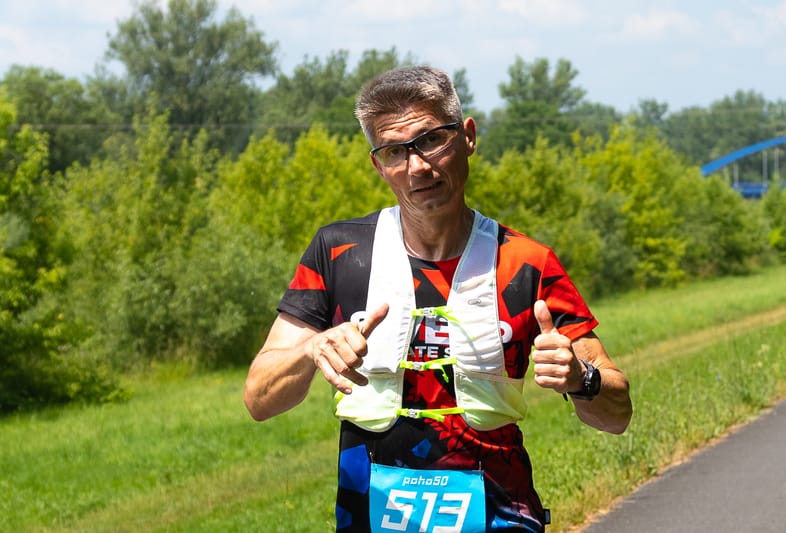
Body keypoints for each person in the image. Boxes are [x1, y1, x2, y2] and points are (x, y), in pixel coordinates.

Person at [244, 65, 632, 532]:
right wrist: (312, 347)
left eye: (431, 140)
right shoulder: (339, 253)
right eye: (394, 152)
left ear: (467, 136)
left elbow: (617, 414)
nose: (417, 167)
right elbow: (259, 399)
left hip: (500, 518)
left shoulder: (528, 264)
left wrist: (580, 377)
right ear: (377, 164)